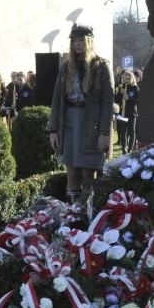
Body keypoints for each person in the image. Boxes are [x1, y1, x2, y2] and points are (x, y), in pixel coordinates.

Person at [49, 24, 114, 202]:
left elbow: (107, 103)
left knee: (88, 173)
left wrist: (104, 134)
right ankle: (73, 213)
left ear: (89, 41)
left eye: (81, 40)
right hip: (68, 122)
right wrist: (53, 130)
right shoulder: (65, 67)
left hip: (90, 124)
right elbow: (56, 100)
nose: (77, 44)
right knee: (71, 172)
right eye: (75, 40)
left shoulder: (101, 66)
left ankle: (89, 212)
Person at [122, 70, 140, 153]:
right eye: (125, 79)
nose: (127, 81)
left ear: (132, 79)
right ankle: (123, 149)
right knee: (123, 132)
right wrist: (120, 94)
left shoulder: (135, 88)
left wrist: (128, 98)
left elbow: (137, 101)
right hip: (123, 114)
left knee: (132, 131)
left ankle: (130, 149)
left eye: (129, 79)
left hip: (132, 113)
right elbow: (117, 99)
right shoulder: (122, 88)